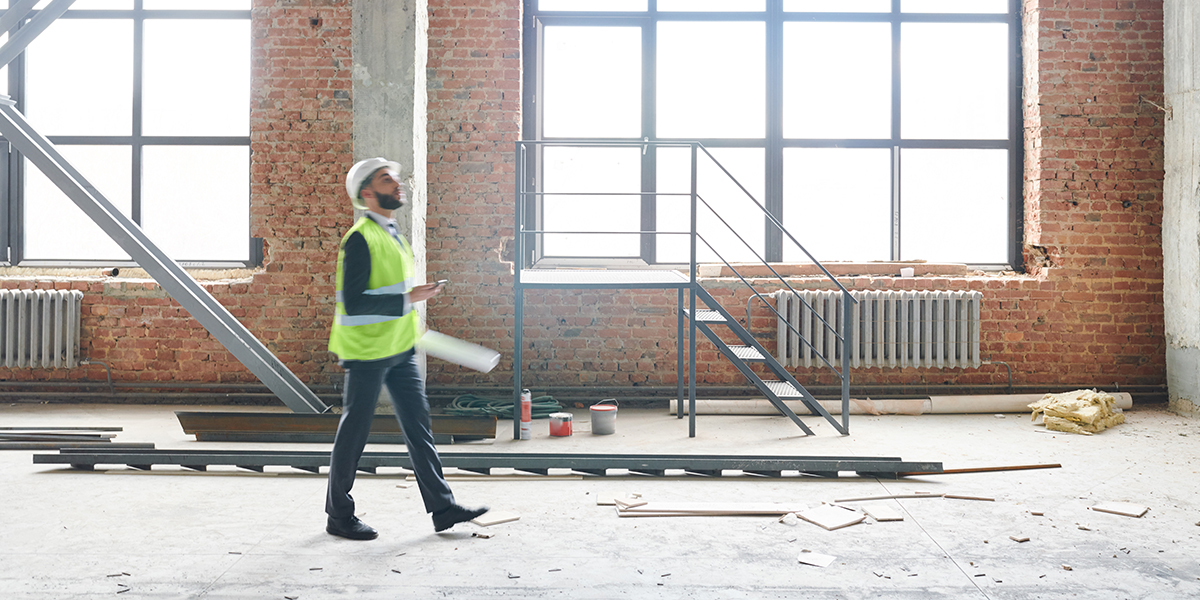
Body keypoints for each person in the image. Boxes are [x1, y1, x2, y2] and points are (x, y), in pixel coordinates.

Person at [325, 157, 488, 540]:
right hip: (366, 350)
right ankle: (338, 515)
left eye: (396, 179)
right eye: (387, 179)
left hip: (399, 347)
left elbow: (394, 292)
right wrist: (409, 297)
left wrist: (415, 312)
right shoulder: (360, 239)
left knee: (419, 428)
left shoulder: (393, 233)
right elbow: (354, 302)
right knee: (355, 432)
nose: (397, 184)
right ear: (368, 192)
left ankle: (443, 509)